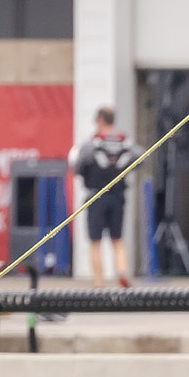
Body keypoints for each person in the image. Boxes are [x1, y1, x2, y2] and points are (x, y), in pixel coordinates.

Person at [72, 106, 138, 287]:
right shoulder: (125, 142)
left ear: (100, 119)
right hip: (118, 196)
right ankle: (122, 272)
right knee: (118, 239)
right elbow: (140, 157)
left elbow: (78, 166)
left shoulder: (92, 143)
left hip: (96, 195)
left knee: (95, 241)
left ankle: (99, 281)